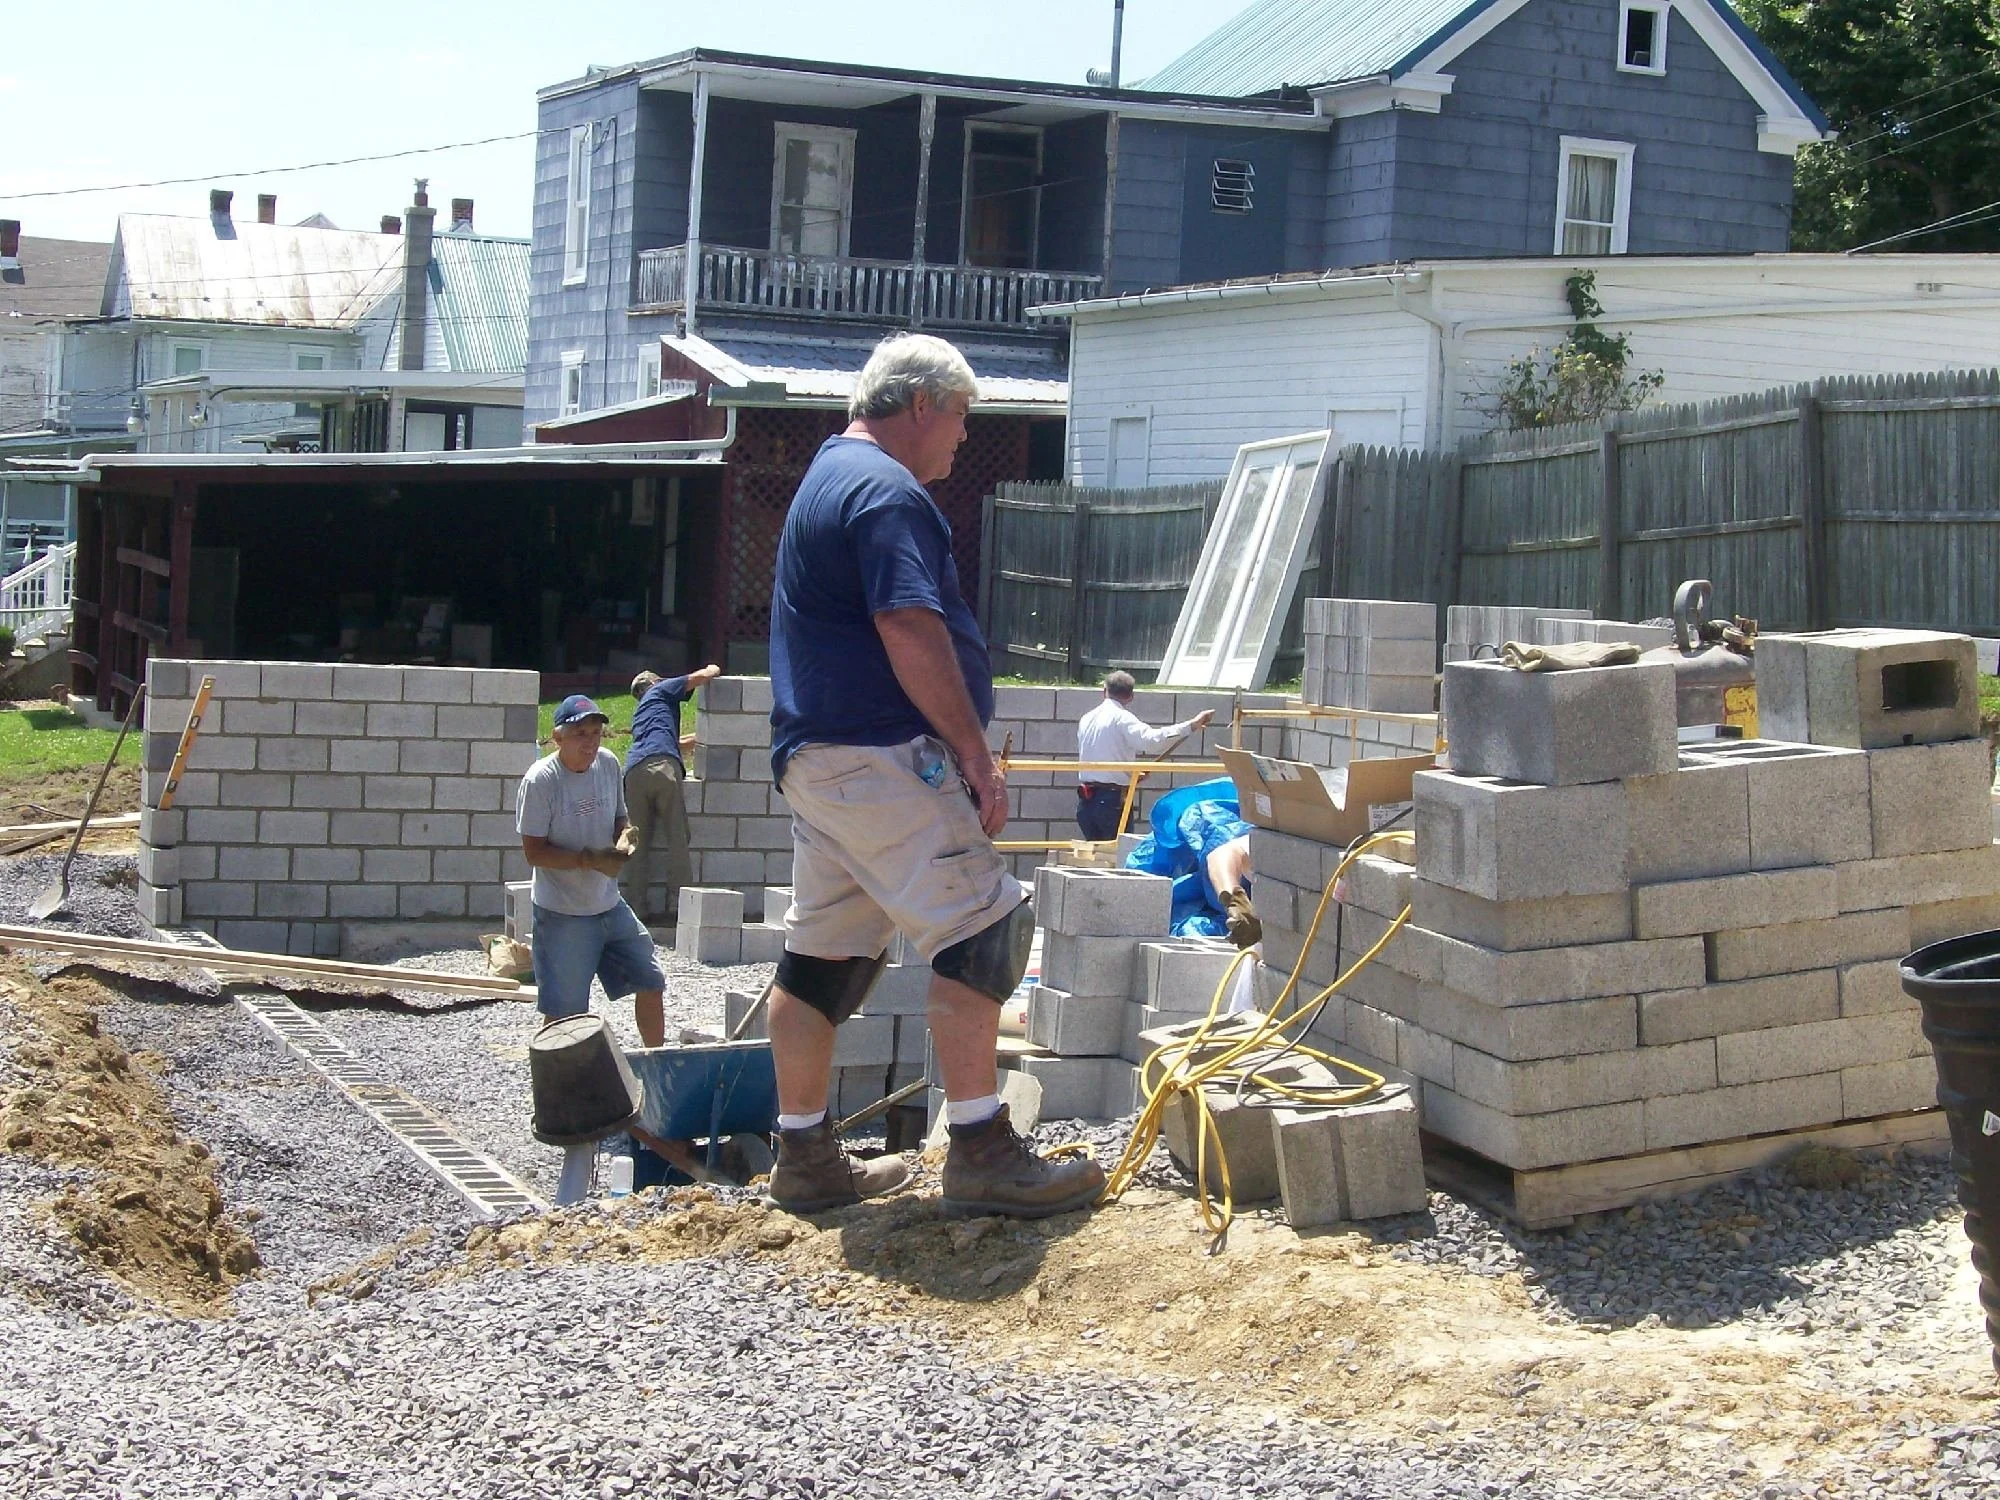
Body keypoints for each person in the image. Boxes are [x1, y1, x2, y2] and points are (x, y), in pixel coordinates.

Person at [763, 331, 1106, 1218]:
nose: (963, 436)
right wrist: (974, 752)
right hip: (878, 756)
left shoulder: (830, 474)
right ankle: (982, 1150)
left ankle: (804, 1158)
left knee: (822, 961)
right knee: (986, 932)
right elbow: (909, 628)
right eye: (960, 416)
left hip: (821, 760)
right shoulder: (884, 492)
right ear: (921, 405)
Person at [517, 694, 668, 1049]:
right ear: (558, 738)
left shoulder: (608, 764)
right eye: (580, 734)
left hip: (608, 904)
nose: (590, 742)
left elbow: (619, 817)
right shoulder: (542, 781)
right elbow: (534, 852)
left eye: (596, 733)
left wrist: (624, 838)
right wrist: (589, 860)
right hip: (562, 912)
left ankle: (657, 1065)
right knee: (565, 1012)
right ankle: (555, 1083)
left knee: (650, 980)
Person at [622, 663, 721, 924]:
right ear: (653, 683)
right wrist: (715, 666)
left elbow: (673, 742)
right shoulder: (660, 691)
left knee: (637, 844)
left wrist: (706, 737)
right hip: (663, 769)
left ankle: (636, 909)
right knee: (677, 836)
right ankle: (682, 908)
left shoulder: (643, 713)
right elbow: (701, 677)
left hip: (633, 773)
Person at [1075, 672, 1214, 841]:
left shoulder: (1087, 718)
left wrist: (1129, 775)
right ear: (1130, 696)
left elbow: (1102, 753)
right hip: (1110, 801)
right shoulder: (1121, 718)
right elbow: (1151, 741)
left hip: (1087, 800)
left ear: (1104, 691)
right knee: (1117, 857)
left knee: (1098, 856)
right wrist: (1192, 725)